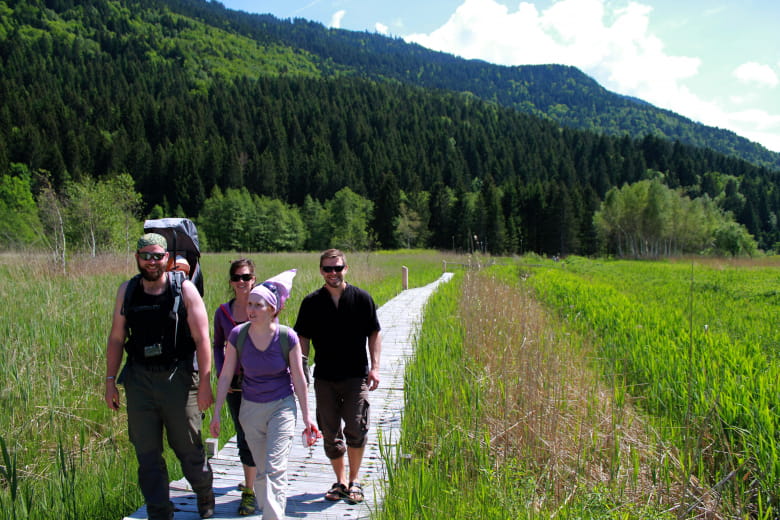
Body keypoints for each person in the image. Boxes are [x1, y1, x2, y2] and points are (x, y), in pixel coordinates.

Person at [104, 233, 215, 520]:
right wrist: (109, 381)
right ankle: (158, 510)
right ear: (137, 258)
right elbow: (117, 338)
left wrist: (205, 383)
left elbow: (203, 339)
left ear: (167, 258)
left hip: (178, 379)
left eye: (157, 256)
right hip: (139, 380)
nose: (151, 262)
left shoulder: (185, 290)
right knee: (147, 452)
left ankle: (204, 494)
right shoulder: (127, 291)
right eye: (146, 256)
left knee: (188, 446)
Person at [210, 270, 317, 520]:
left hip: (282, 405)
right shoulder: (238, 335)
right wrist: (216, 413)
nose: (252, 309)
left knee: (275, 468)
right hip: (250, 408)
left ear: (272, 309)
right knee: (260, 469)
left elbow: (299, 378)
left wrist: (306, 416)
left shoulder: (286, 336)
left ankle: (272, 516)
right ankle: (263, 505)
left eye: (258, 305)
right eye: (250, 304)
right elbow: (226, 375)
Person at [293, 249, 382, 504]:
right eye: (328, 269)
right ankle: (340, 481)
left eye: (338, 268)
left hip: (356, 376)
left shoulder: (362, 299)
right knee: (330, 432)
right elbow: (303, 338)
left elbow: (374, 332)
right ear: (321, 271)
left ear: (346, 268)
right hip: (324, 377)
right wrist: (301, 370)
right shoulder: (311, 302)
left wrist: (375, 367)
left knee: (356, 427)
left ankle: (355, 481)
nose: (333, 273)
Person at [212, 259, 258, 515]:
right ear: (231, 281)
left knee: (260, 433)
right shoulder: (222, 312)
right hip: (236, 384)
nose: (242, 282)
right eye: (237, 277)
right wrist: (223, 374)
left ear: (254, 278)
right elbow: (217, 345)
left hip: (261, 381)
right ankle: (249, 490)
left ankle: (254, 478)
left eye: (246, 276)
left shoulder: (263, 306)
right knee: (244, 435)